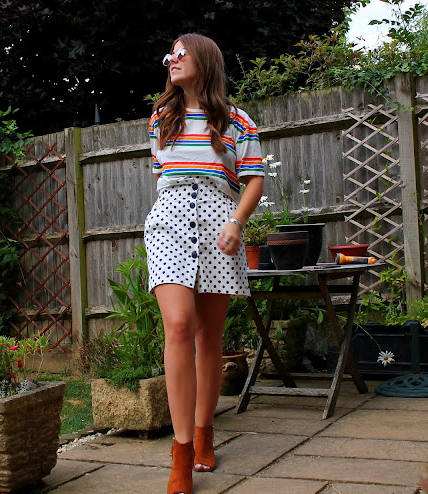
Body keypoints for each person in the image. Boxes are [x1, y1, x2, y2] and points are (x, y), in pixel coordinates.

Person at [144, 33, 265, 494]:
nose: (171, 60)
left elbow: (254, 180)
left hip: (219, 225)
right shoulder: (162, 118)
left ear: (205, 60)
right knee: (178, 325)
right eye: (169, 55)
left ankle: (204, 433)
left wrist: (236, 222)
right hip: (169, 223)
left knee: (209, 337)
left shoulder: (237, 120)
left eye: (181, 53)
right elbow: (163, 176)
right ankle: (180, 453)